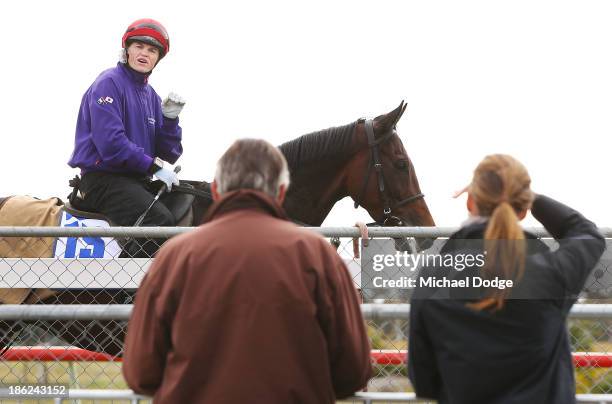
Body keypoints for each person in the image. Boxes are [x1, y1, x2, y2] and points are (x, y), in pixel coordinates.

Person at [122, 139, 372, 403]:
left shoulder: (174, 257)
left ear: (216, 190)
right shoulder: (319, 257)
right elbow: (353, 372)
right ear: (282, 191)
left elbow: (141, 372)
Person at [408, 154, 605, 404]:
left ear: (470, 201)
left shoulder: (434, 275)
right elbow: (586, 234)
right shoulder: (550, 272)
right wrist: (532, 197)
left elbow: (424, 381)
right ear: (523, 211)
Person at [67, 18, 185, 256]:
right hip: (102, 180)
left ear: (157, 59)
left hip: (135, 180)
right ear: (127, 50)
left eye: (152, 50)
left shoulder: (151, 96)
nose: (144, 53)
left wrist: (170, 121)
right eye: (139, 46)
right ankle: (127, 293)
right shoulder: (108, 83)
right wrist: (153, 167)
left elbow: (169, 152)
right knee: (158, 221)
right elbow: (111, 145)